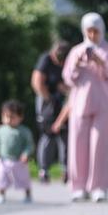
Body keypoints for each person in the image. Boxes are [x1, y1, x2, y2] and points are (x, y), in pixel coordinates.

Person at [62, 12, 108, 202]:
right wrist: (76, 64)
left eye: (96, 31)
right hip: (80, 103)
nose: (92, 35)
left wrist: (102, 63)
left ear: (102, 30)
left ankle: (100, 186)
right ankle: (78, 186)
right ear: (84, 31)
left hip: (106, 105)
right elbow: (68, 78)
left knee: (102, 145)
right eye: (89, 31)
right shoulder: (76, 51)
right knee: (78, 144)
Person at [31, 40, 71, 183]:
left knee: (65, 135)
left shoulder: (69, 59)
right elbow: (37, 82)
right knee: (48, 134)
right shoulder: (45, 60)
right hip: (47, 102)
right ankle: (44, 170)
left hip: (65, 101)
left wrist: (65, 90)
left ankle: (66, 169)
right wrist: (49, 99)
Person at [0, 100, 34, 205]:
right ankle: (1, 195)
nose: (8, 119)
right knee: (0, 178)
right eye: (5, 116)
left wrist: (26, 154)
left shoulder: (24, 131)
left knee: (23, 179)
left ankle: (28, 195)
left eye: (12, 117)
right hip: (3, 160)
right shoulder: (1, 130)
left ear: (20, 117)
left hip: (19, 161)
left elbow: (29, 145)